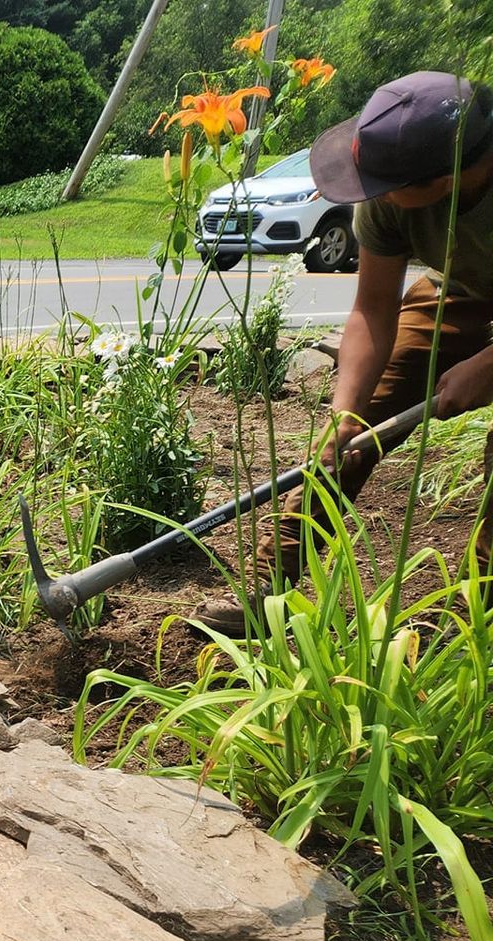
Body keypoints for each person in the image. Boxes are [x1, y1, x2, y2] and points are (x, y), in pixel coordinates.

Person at [198, 71, 493, 635]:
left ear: (449, 176)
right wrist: (345, 411)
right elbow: (372, 309)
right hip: (461, 290)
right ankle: (270, 586)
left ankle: (476, 622)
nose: (371, 191)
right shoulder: (390, 196)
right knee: (356, 430)